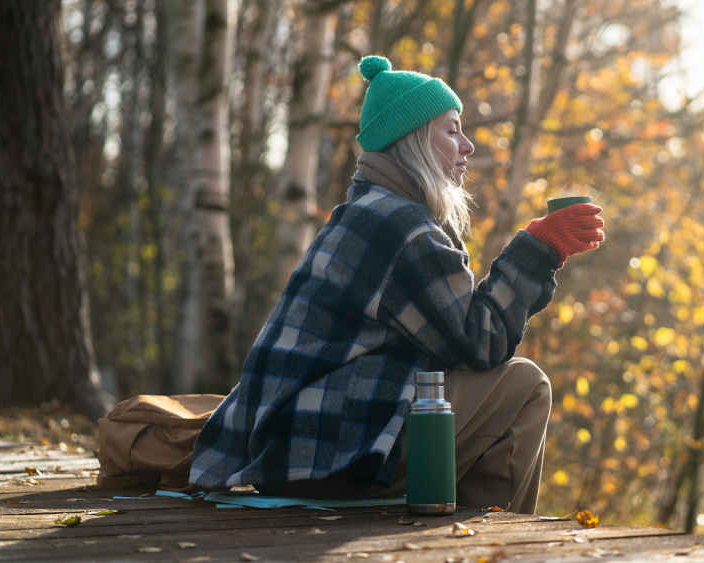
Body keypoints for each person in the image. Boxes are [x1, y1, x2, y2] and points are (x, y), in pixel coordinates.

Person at [188, 55, 604, 514]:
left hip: (292, 448)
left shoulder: (369, 212)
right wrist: (536, 250)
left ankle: (473, 531)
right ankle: (493, 538)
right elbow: (481, 343)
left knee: (469, 388)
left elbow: (453, 346)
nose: (467, 146)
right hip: (321, 454)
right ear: (413, 142)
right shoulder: (400, 226)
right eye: (452, 130)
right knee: (525, 383)